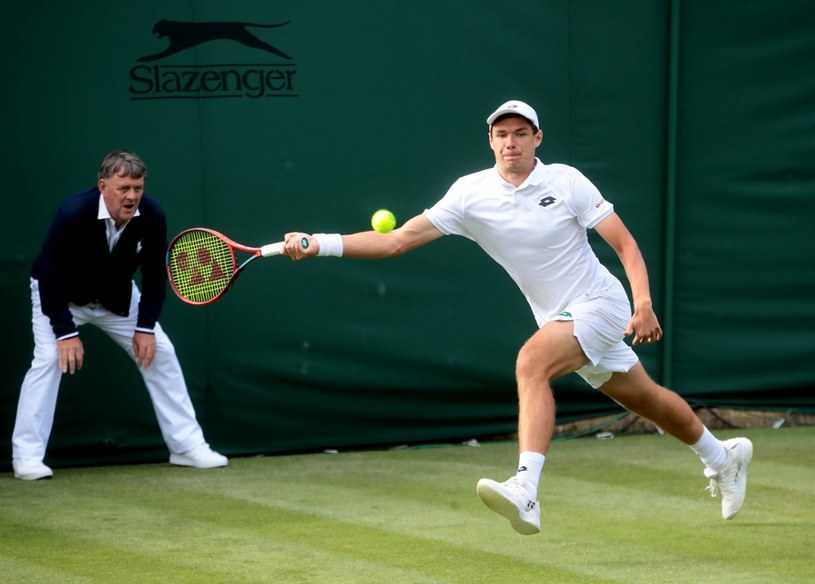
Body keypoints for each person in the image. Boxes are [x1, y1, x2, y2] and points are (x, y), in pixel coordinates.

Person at [279, 100, 753, 534]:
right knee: (645, 399)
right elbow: (396, 240)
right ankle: (723, 456)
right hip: (561, 316)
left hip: (601, 302)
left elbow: (625, 245)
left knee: (531, 363)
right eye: (502, 134)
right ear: (491, 141)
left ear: (537, 139)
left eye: (521, 133)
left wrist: (643, 302)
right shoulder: (469, 194)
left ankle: (526, 490)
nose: (511, 142)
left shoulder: (566, 181)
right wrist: (319, 243)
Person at [12, 150, 227, 480]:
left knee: (161, 353)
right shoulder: (73, 213)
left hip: (117, 299)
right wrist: (65, 332)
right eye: (124, 187)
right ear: (103, 186)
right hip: (60, 297)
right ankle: (26, 457)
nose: (132, 196)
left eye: (138, 188)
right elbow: (49, 274)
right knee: (47, 360)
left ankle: (186, 447)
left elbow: (155, 275)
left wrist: (145, 326)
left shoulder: (152, 215)